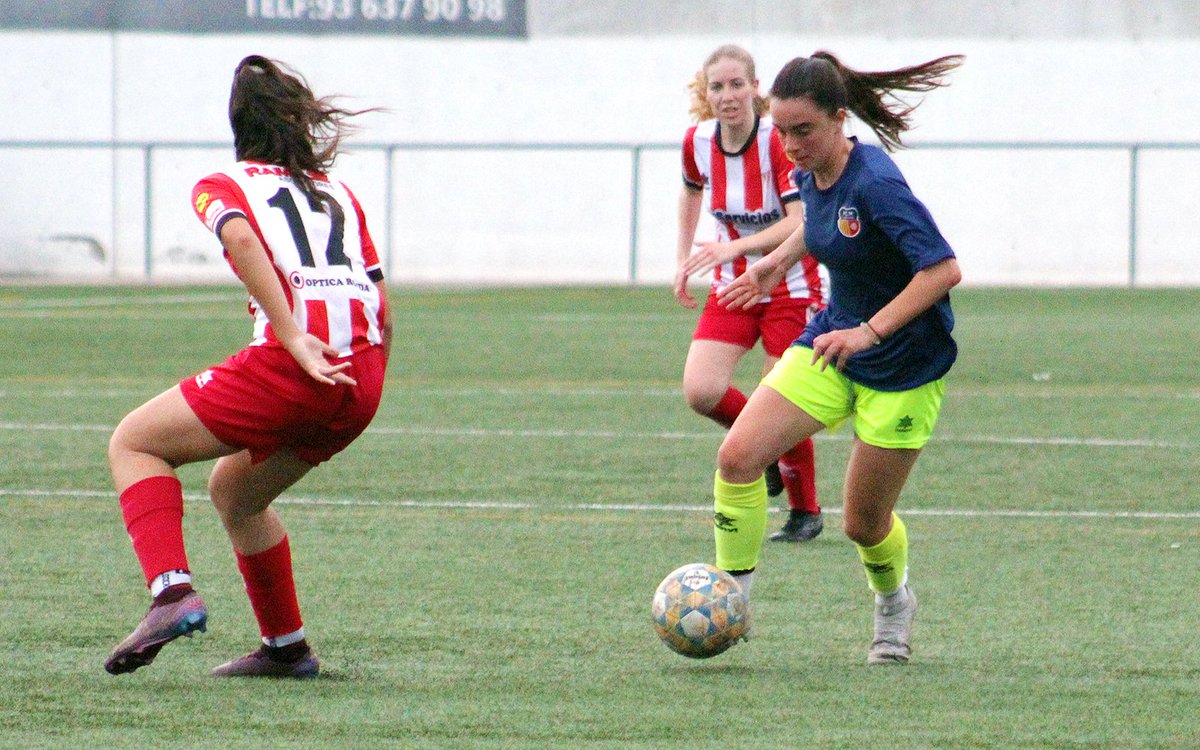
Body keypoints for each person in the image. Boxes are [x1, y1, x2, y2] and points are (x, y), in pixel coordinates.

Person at [104, 55, 392, 679]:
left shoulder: (223, 184)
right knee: (236, 492)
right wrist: (356, 380)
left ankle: (170, 592)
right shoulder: (339, 194)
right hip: (360, 381)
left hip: (293, 370)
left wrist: (291, 337)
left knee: (134, 443)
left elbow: (238, 239)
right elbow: (382, 307)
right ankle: (286, 648)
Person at [711, 50, 964, 664]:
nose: (791, 145)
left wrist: (868, 333)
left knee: (863, 525)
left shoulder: (876, 182)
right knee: (739, 456)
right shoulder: (807, 170)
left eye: (805, 131)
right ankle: (732, 602)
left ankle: (894, 602)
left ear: (838, 121)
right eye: (783, 130)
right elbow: (819, 224)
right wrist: (773, 264)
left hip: (903, 364)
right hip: (832, 345)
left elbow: (943, 270)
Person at [674, 44, 830, 542]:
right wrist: (683, 259)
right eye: (717, 87)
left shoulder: (774, 142)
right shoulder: (697, 142)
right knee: (701, 390)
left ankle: (806, 512)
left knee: (777, 395)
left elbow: (797, 223)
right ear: (707, 93)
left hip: (791, 284)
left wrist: (732, 246)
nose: (727, 96)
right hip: (734, 286)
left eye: (737, 84)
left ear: (755, 88)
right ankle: (756, 445)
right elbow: (691, 192)